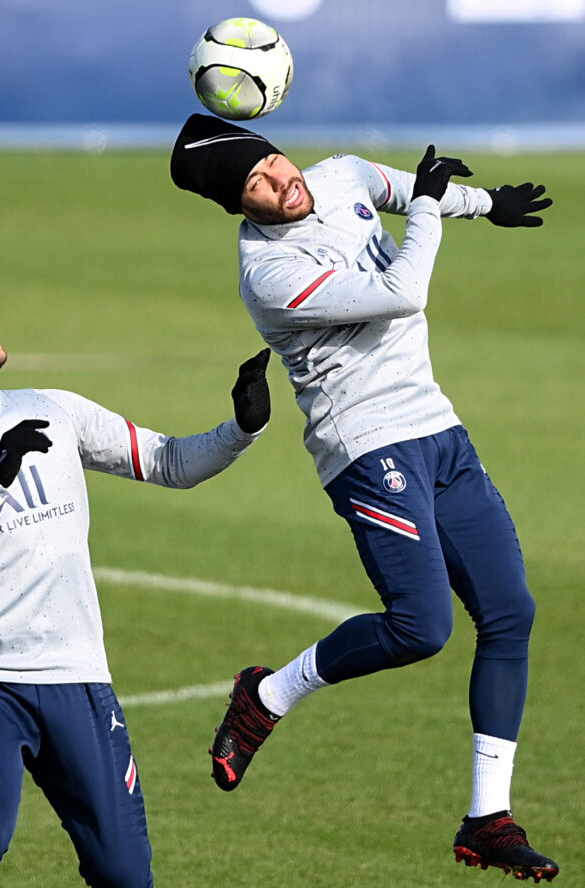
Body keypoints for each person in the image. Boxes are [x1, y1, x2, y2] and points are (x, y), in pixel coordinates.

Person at [170, 112, 558, 882]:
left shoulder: (339, 173)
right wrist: (429, 210)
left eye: (274, 163)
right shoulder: (269, 274)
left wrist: (487, 205)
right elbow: (402, 291)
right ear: (237, 205)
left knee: (510, 612)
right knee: (421, 627)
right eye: (256, 185)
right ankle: (266, 696)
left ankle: (488, 820)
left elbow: (415, 188)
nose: (281, 182)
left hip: (437, 427)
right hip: (368, 446)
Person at [0, 279, 271, 888]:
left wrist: (242, 429)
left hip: (76, 674)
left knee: (125, 872)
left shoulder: (53, 409)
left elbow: (167, 461)